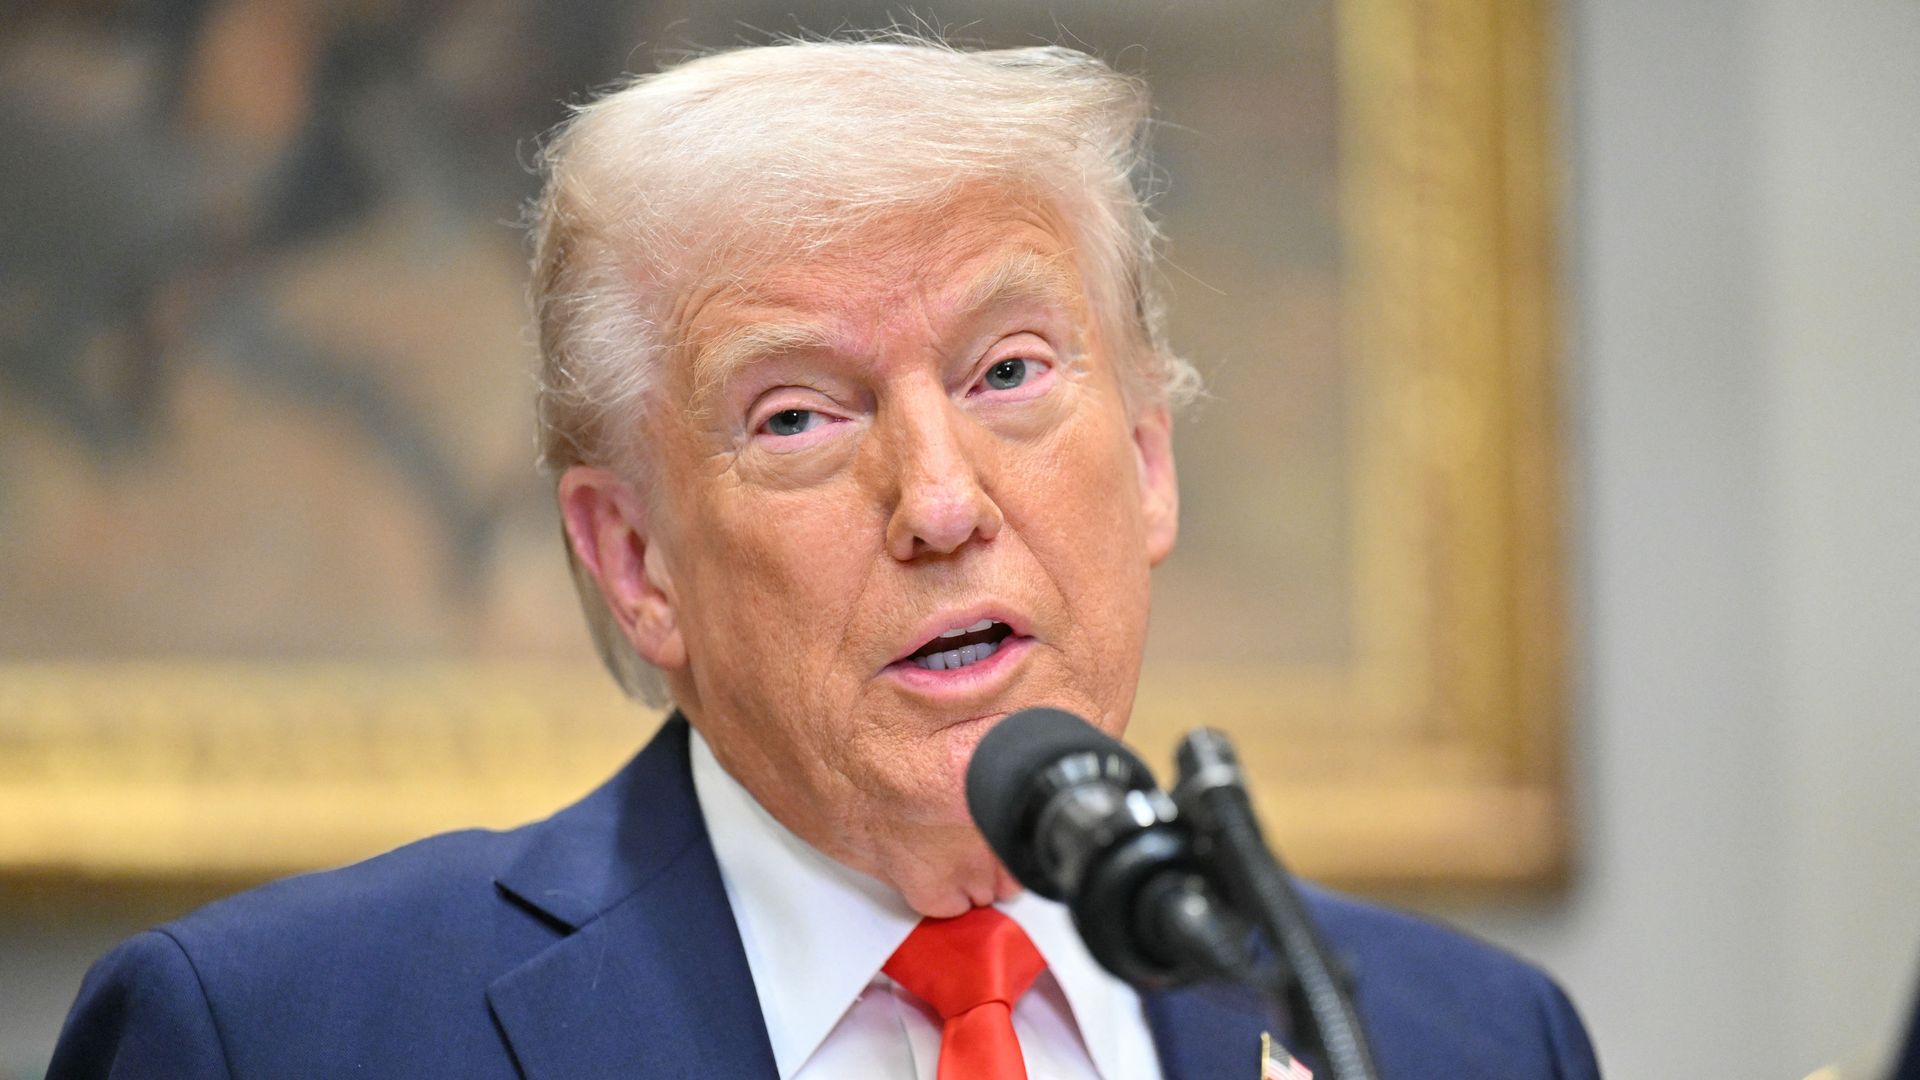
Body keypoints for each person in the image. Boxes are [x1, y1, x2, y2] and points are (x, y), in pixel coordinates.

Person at [48, 39, 1600, 1079]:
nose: (938, 500)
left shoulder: (1455, 1038)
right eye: (797, 415)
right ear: (633, 557)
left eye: (1008, 375)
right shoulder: (281, 1037)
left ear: (1145, 462)